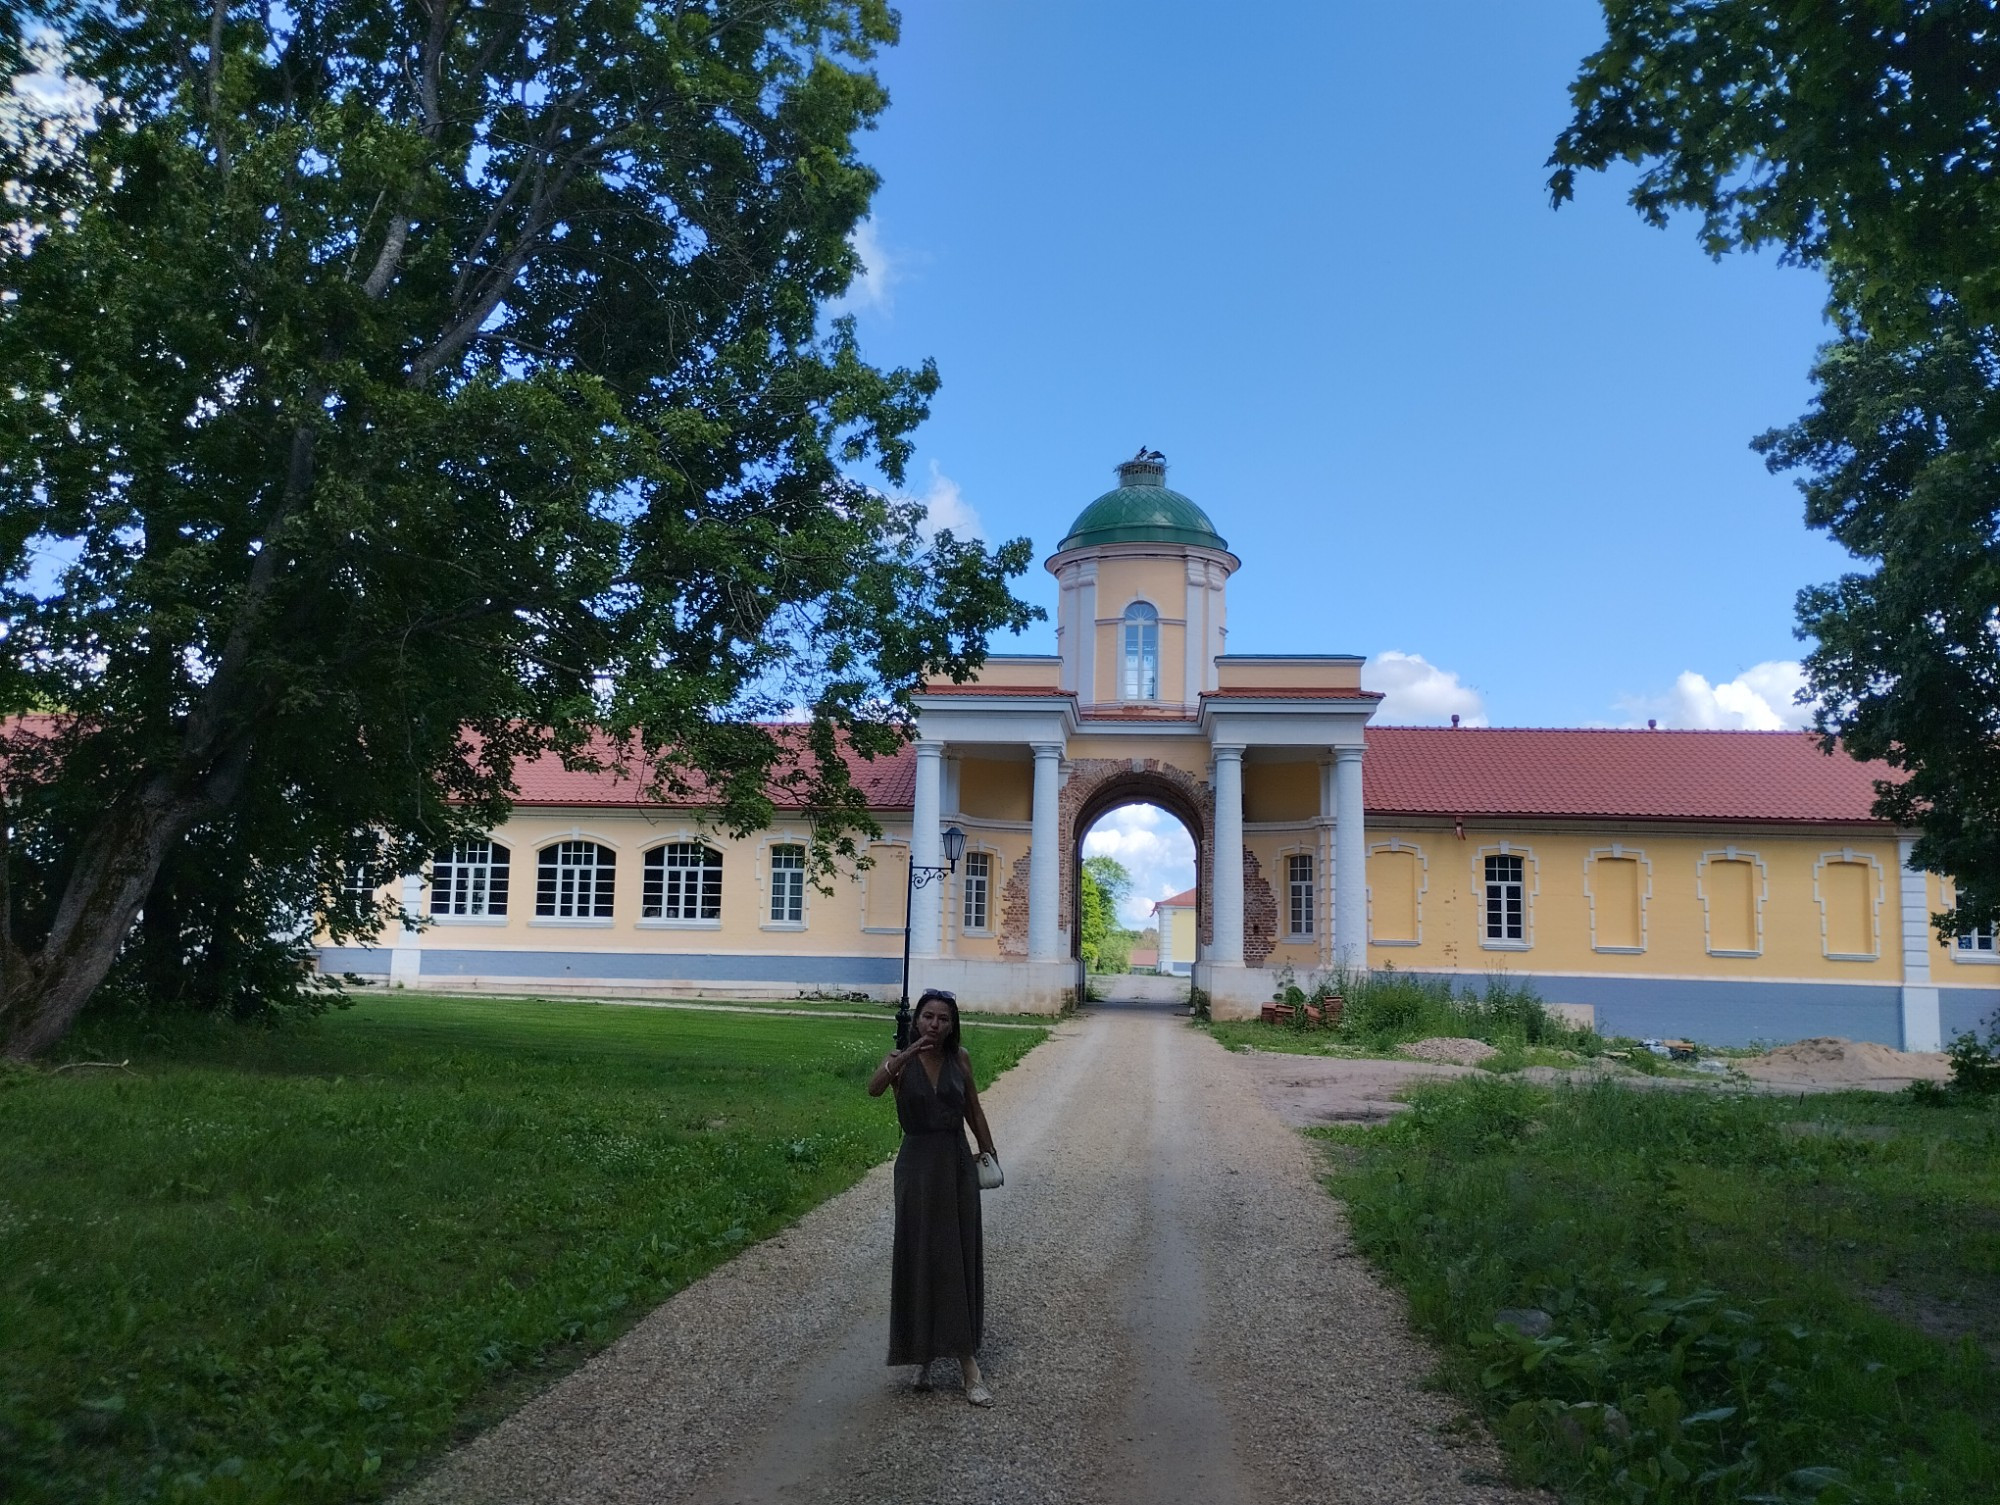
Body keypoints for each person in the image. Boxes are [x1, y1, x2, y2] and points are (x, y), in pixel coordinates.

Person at [866, 988, 998, 1405]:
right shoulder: (898, 1062)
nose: (935, 1025)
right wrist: (905, 1055)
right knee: (920, 1254)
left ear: (952, 1023)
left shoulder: (960, 1059)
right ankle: (921, 1354)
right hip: (917, 1167)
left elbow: (973, 1109)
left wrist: (988, 1150)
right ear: (916, 1020)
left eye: (943, 1018)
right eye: (927, 1017)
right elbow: (872, 1088)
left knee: (955, 1256)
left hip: (955, 1162)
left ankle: (967, 1365)